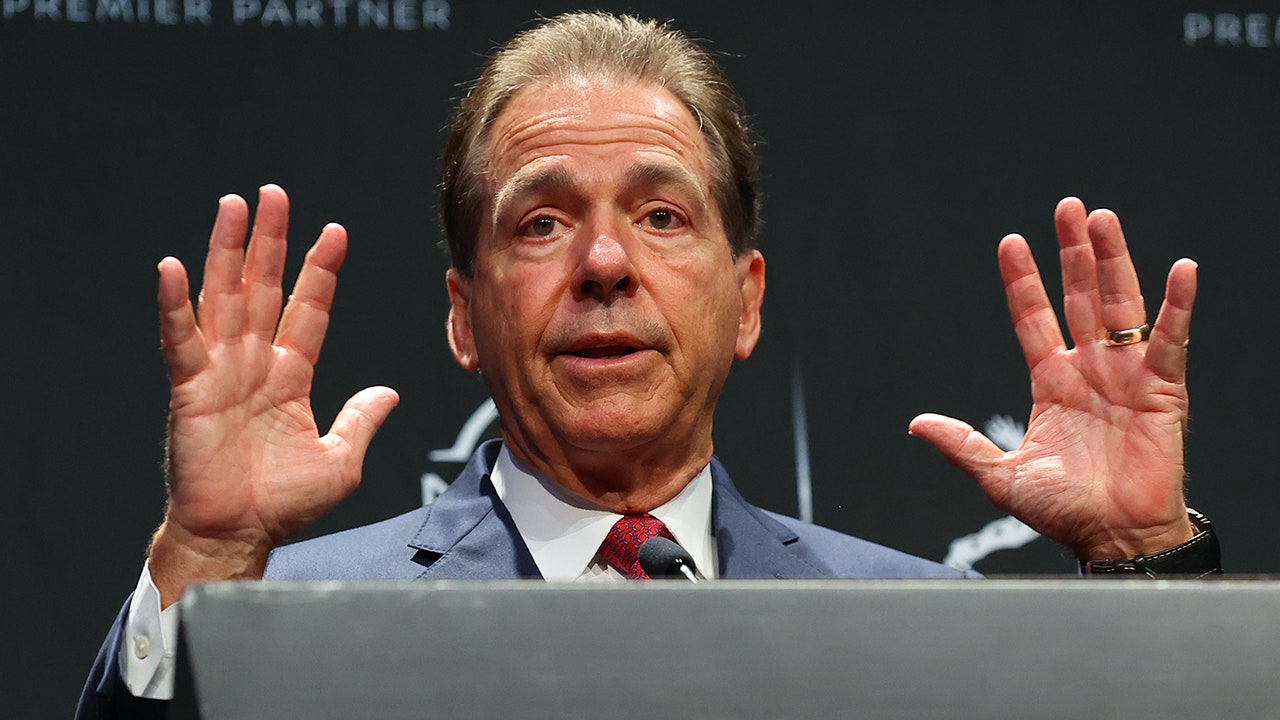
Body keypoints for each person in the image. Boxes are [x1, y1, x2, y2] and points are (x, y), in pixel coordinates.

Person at [76, 11, 1217, 719]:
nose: (606, 262)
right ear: (464, 318)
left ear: (745, 300)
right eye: (541, 223)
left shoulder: (930, 635)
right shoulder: (284, 626)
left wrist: (1144, 562)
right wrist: (208, 558)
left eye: (662, 216)